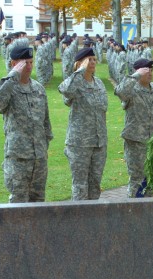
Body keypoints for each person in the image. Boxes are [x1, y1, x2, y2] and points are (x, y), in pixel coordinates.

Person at [0, 46, 53, 203]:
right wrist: (13, 75)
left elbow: (46, 122)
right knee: (18, 203)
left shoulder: (38, 89)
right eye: (25, 63)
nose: (30, 67)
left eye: (31, 62)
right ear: (14, 64)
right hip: (18, 158)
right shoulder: (7, 88)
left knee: (39, 201)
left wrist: (43, 148)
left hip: (39, 157)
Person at [58, 47, 108, 201]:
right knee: (80, 185)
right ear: (79, 63)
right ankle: (79, 220)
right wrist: (80, 71)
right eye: (88, 60)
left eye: (94, 59)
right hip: (80, 143)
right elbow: (64, 89)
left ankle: (92, 220)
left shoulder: (98, 83)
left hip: (99, 142)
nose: (92, 62)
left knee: (95, 184)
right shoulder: (75, 83)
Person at [114, 58, 153, 197]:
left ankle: (147, 211)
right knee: (137, 180)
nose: (150, 73)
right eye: (146, 70)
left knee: (151, 179)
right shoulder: (131, 89)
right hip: (135, 142)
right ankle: (134, 213)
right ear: (138, 71)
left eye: (151, 70)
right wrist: (136, 76)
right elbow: (120, 92)